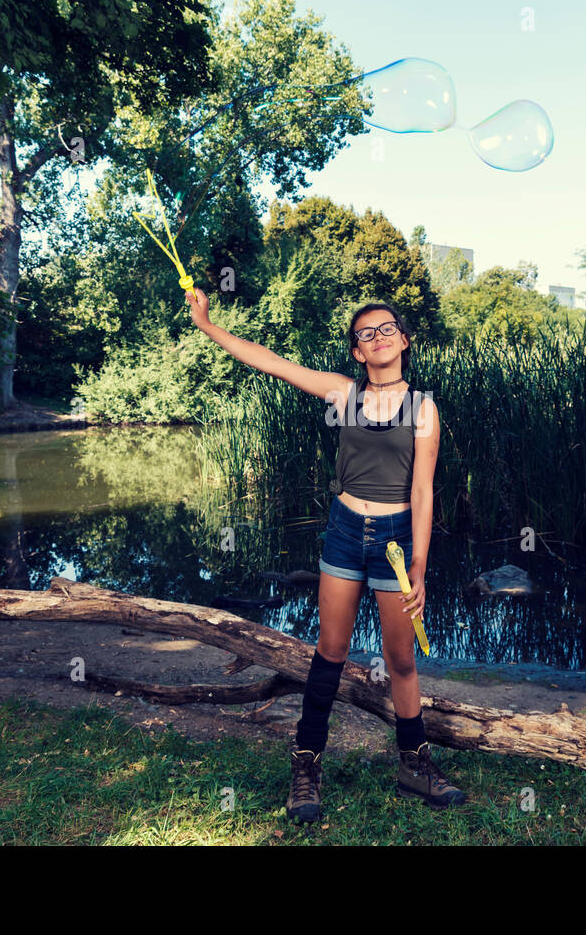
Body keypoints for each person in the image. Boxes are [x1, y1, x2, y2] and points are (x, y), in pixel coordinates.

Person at [185, 286, 468, 823]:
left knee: (402, 659)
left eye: (388, 329)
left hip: (395, 540)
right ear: (358, 352)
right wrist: (207, 325)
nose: (379, 337)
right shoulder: (343, 394)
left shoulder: (423, 408)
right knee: (331, 651)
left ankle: (415, 766)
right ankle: (306, 768)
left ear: (404, 341)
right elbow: (270, 361)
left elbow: (424, 492)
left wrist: (420, 565)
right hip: (343, 532)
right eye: (367, 334)